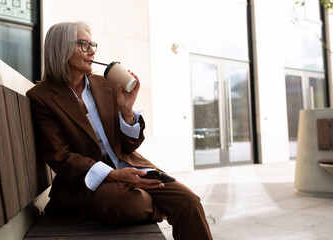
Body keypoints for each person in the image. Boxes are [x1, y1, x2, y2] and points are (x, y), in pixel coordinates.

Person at [26, 21, 213, 240]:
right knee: (131, 202)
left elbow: (128, 145)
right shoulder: (42, 97)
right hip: (85, 184)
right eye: (83, 45)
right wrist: (114, 175)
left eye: (92, 44)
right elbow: (60, 155)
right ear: (61, 48)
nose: (92, 50)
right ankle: (159, 205)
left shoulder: (105, 85)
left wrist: (127, 111)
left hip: (129, 167)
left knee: (188, 201)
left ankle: (162, 203)